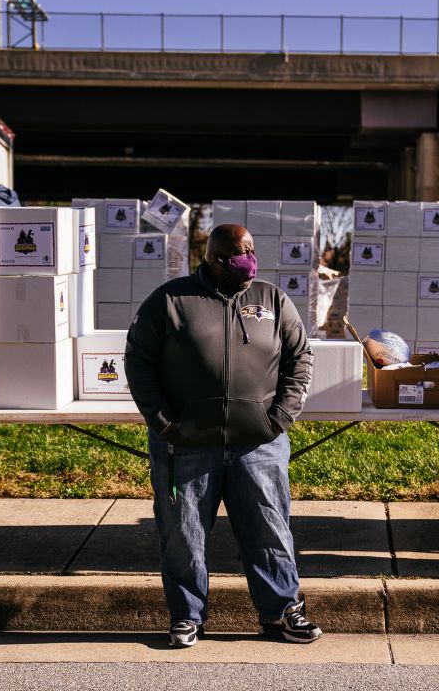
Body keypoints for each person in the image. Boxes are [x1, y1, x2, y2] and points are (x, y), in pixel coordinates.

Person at [124, 223, 321, 648]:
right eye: (237, 255)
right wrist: (162, 421)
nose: (248, 261)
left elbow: (300, 356)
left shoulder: (271, 299)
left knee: (269, 529)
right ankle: (186, 615)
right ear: (213, 259)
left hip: (259, 443)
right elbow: (137, 359)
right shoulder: (171, 301)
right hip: (187, 444)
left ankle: (281, 612)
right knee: (183, 534)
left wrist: (281, 415)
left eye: (251, 250)